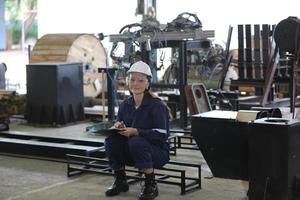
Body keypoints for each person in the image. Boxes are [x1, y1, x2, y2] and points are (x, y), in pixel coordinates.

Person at [105, 61, 171, 200]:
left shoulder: (156, 106)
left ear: (147, 84)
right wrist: (119, 126)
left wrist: (137, 131)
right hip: (133, 151)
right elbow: (119, 122)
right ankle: (120, 180)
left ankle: (150, 184)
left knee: (137, 141)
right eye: (132, 79)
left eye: (141, 80)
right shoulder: (125, 105)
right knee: (111, 141)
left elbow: (162, 135)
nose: (135, 84)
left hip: (156, 152)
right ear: (128, 81)